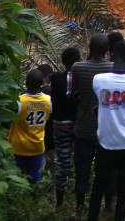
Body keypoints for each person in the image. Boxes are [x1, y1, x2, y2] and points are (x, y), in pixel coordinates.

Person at [88, 41, 125, 221]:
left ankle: (92, 217)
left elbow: (99, 102)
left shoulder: (99, 80)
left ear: (111, 56)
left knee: (99, 185)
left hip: (106, 142)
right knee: (124, 189)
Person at [72, 34, 113, 216]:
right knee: (107, 168)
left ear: (89, 47)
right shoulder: (113, 69)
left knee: (82, 168)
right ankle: (108, 205)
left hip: (83, 127)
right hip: (106, 128)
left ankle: (80, 206)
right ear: (107, 50)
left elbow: (72, 93)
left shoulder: (78, 67)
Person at [9, 69, 52, 184]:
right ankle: (32, 199)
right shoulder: (48, 100)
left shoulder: (20, 101)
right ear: (41, 83)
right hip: (37, 146)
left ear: (26, 83)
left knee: (15, 178)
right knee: (34, 179)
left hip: (19, 147)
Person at [50, 47, 80, 205]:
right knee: (79, 160)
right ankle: (78, 198)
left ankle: (59, 200)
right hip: (76, 125)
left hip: (59, 125)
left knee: (62, 161)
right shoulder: (78, 78)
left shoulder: (55, 77)